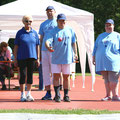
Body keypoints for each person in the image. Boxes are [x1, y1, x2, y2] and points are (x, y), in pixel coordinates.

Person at [45, 13, 78, 102]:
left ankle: (66, 95)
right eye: (60, 20)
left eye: (63, 20)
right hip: (56, 58)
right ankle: (57, 95)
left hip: (67, 58)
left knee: (66, 77)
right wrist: (48, 46)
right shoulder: (53, 31)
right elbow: (48, 41)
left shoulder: (70, 30)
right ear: (57, 21)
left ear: (65, 21)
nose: (62, 22)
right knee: (56, 76)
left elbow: (73, 43)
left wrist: (75, 53)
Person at [92, 19, 120, 101]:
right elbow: (95, 47)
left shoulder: (117, 36)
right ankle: (108, 95)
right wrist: (93, 57)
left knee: (113, 78)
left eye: (110, 25)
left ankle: (115, 95)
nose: (108, 27)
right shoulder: (100, 36)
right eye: (106, 25)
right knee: (106, 79)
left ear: (113, 26)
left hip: (114, 61)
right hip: (101, 60)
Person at [14, 15, 40, 102]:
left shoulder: (35, 33)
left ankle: (29, 94)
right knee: (23, 75)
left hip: (32, 57)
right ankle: (22, 95)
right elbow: (16, 46)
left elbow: (37, 46)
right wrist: (15, 59)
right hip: (22, 57)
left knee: (30, 75)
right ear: (23, 22)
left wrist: (38, 58)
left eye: (30, 21)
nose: (28, 23)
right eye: (26, 21)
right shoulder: (19, 33)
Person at [38, 6, 57, 100]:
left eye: (51, 11)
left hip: (54, 51)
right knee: (45, 72)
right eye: (48, 11)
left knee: (56, 72)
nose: (49, 13)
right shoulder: (43, 24)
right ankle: (48, 93)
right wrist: (39, 55)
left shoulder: (58, 23)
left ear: (55, 12)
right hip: (44, 51)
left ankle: (57, 93)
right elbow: (41, 39)